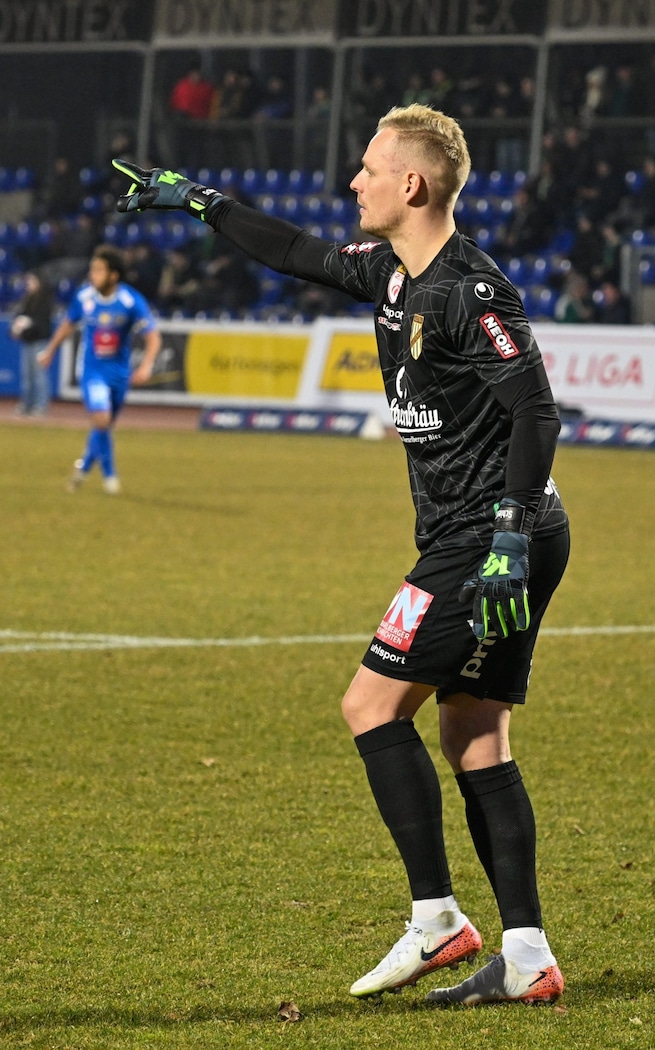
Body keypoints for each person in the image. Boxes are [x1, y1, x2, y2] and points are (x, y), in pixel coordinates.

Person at [112, 102, 570, 1007]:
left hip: (490, 536)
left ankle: (438, 922)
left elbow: (536, 410)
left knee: (369, 704)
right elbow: (291, 251)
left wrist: (508, 538)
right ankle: (525, 957)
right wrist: (200, 199)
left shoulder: (467, 290)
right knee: (473, 737)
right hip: (479, 534)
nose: (351, 182)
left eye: (367, 167)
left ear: (413, 184)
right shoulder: (391, 276)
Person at [38, 245, 161, 494]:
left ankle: (83, 468)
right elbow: (67, 325)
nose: (93, 275)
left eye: (98, 270)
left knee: (103, 426)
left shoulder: (129, 300)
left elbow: (153, 336)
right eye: (92, 270)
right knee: (102, 419)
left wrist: (147, 365)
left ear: (113, 275)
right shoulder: (84, 298)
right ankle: (110, 476)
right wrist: (50, 351)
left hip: (119, 374)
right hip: (92, 372)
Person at [10, 271, 55, 416]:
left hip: (39, 341)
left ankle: (40, 406)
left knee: (39, 375)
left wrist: (28, 326)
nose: (29, 284)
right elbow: (20, 316)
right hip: (28, 341)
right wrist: (18, 328)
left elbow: (42, 324)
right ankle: (27, 404)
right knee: (27, 375)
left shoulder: (45, 300)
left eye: (32, 281)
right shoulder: (27, 299)